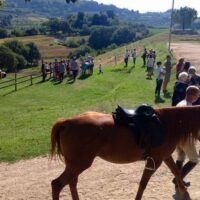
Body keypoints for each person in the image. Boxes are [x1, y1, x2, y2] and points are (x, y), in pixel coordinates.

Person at [173, 85, 200, 187]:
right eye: (197, 95)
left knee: (180, 158)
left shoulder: (181, 103)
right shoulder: (188, 107)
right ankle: (178, 180)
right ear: (193, 95)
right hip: (185, 138)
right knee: (194, 160)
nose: (198, 96)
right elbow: (190, 126)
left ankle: (178, 179)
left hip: (178, 137)